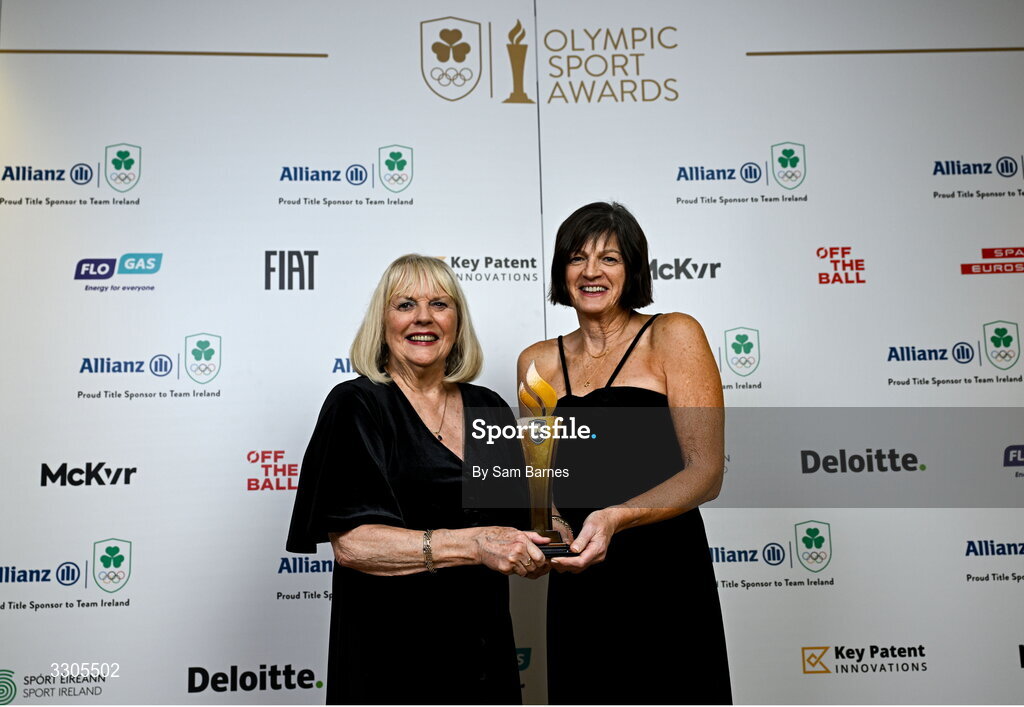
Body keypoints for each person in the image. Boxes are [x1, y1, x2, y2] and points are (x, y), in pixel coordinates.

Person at [288, 254, 551, 705]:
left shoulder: (488, 407)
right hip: (389, 662)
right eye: (405, 304)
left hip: (484, 661)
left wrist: (553, 541)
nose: (424, 317)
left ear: (457, 322)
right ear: (382, 321)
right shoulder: (355, 405)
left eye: (440, 304)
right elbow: (354, 545)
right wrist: (474, 545)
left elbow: (522, 521)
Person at [517, 202, 732, 704]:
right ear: (560, 271)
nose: (591, 272)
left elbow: (706, 472)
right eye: (577, 257)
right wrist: (553, 529)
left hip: (666, 578)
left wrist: (614, 518)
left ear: (632, 268)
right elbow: (540, 486)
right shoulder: (536, 362)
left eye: (609, 258)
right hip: (581, 580)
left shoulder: (673, 334)